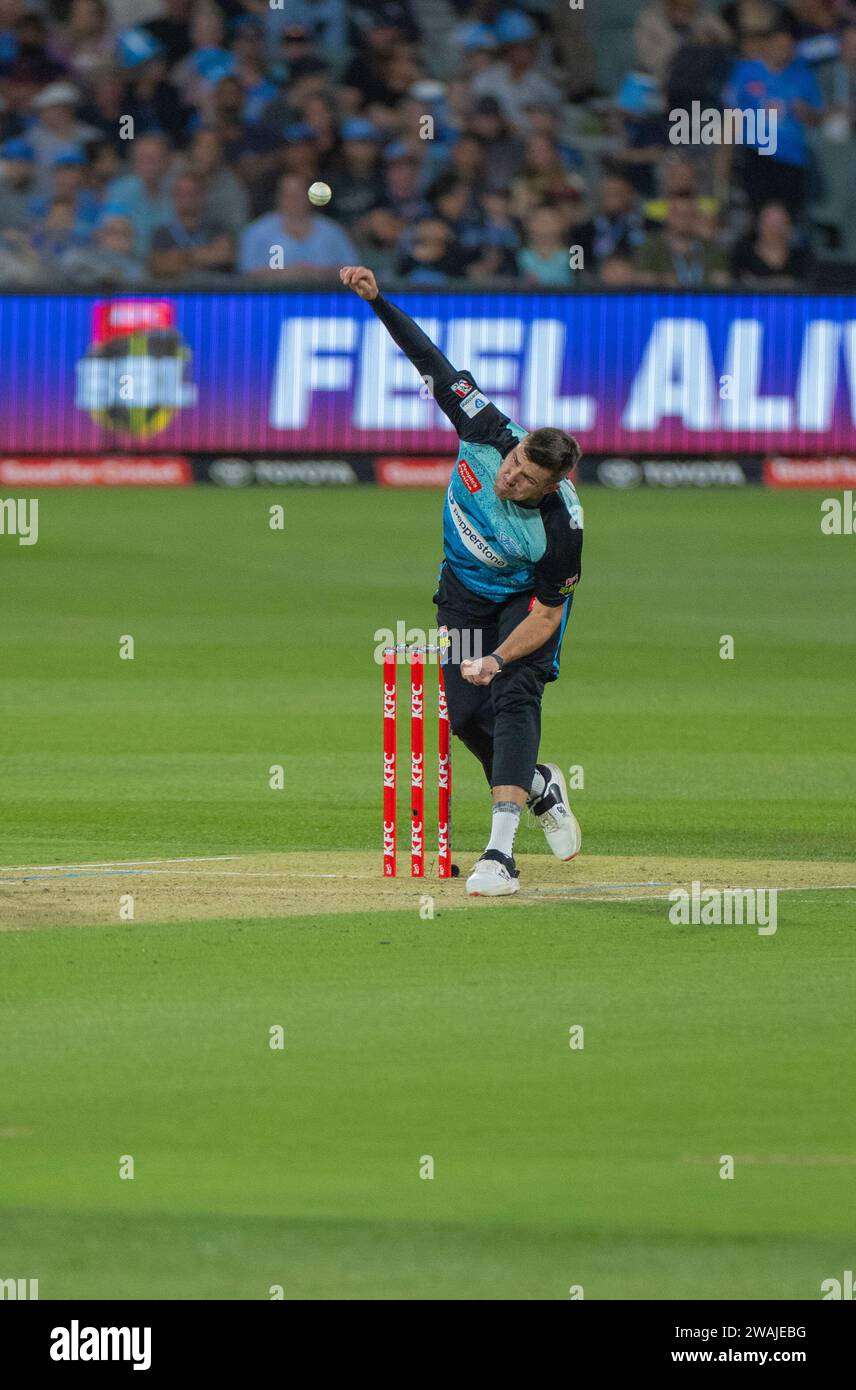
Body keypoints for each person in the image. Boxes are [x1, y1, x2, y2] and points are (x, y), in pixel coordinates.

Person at [340, 263, 584, 898]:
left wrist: (500, 657)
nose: (509, 480)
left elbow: (549, 616)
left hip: (522, 606)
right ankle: (537, 784)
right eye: (512, 466)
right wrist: (378, 300)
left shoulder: (561, 529)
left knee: (511, 695)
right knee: (462, 711)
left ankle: (499, 854)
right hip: (463, 591)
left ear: (553, 486)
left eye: (526, 481)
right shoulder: (484, 426)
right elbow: (428, 358)